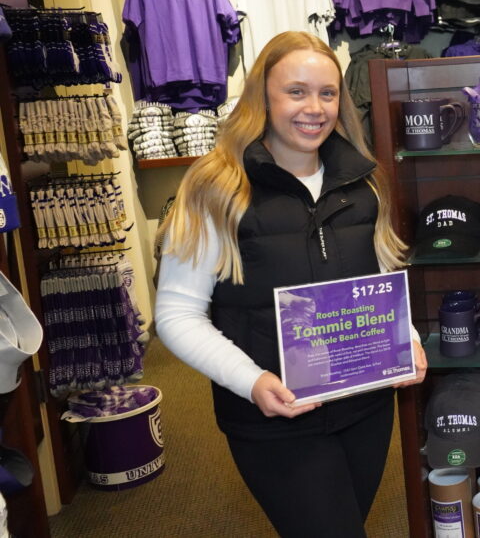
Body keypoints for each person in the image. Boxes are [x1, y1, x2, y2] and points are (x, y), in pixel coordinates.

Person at [154, 31, 427, 537]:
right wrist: (250, 381)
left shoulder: (364, 181)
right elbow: (175, 315)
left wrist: (405, 340)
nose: (315, 108)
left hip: (364, 406)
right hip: (273, 419)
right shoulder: (217, 187)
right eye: (296, 91)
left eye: (327, 93)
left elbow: (382, 277)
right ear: (263, 96)